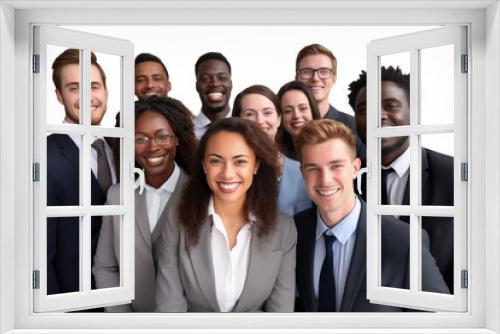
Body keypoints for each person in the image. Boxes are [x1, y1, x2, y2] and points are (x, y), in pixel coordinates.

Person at [294, 119, 449, 312]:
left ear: (355, 168)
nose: (325, 180)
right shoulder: (293, 232)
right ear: (302, 173)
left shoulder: (404, 241)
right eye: (313, 169)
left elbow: (439, 320)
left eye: (336, 166)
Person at [155, 118, 297, 312]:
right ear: (204, 165)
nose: (228, 174)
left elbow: (280, 315)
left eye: (240, 162)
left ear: (256, 165)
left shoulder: (284, 228)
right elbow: (169, 308)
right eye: (216, 161)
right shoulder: (178, 219)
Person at [348, 66, 455, 293]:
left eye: (390, 106)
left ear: (413, 112)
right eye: (365, 109)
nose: (378, 116)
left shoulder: (455, 176)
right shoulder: (346, 178)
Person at [93, 96, 197, 312]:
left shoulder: (200, 195)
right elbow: (106, 267)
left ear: (177, 139)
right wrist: (125, 323)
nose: (152, 147)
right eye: (140, 139)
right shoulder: (118, 195)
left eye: (162, 136)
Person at [47, 48, 114, 294]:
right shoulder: (44, 155)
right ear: (59, 95)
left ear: (106, 91)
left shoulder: (121, 147)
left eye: (94, 86)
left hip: (128, 297)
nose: (88, 97)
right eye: (74, 88)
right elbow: (40, 254)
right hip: (75, 301)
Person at [232, 84, 312, 216]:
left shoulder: (299, 172)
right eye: (250, 114)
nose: (259, 120)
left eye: (267, 112)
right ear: (237, 121)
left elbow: (303, 227)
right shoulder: (227, 169)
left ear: (279, 119)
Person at [295, 43, 366, 163]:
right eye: (307, 71)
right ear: (297, 78)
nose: (315, 78)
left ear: (334, 78)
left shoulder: (354, 127)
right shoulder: (282, 126)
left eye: (324, 71)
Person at [276, 80, 321, 160]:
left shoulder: (329, 145)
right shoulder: (276, 154)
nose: (296, 115)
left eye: (303, 108)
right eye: (288, 111)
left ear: (312, 110)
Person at [192, 52, 233, 139]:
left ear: (231, 84)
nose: (214, 84)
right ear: (197, 86)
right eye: (205, 79)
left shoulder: (248, 128)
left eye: (221, 78)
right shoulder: (185, 132)